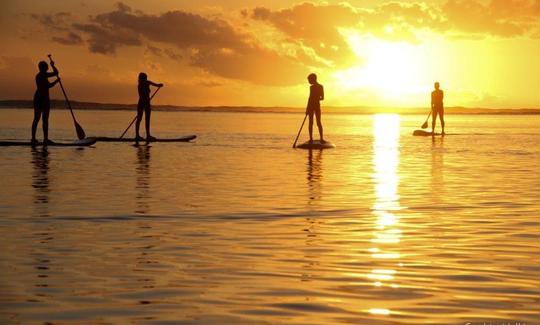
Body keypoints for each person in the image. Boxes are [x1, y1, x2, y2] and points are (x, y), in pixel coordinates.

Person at [31, 61, 60, 145]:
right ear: (42, 68)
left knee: (45, 120)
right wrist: (56, 81)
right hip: (40, 99)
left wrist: (52, 65)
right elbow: (48, 85)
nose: (47, 69)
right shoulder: (41, 75)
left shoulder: (43, 75)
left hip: (44, 99)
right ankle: (34, 139)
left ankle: (45, 139)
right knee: (37, 118)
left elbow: (56, 72)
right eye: (46, 67)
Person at [136, 72, 163, 141]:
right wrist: (159, 85)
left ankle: (146, 135)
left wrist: (159, 85)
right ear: (143, 78)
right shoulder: (144, 83)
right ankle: (138, 136)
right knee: (140, 119)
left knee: (143, 119)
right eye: (145, 77)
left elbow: (156, 85)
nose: (146, 79)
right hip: (143, 103)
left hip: (144, 103)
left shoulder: (141, 84)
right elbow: (156, 85)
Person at [306, 73, 325, 143]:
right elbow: (309, 98)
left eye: (309, 80)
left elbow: (322, 98)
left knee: (318, 122)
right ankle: (311, 139)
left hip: (317, 106)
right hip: (310, 106)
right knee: (310, 122)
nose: (309, 82)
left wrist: (316, 98)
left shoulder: (320, 86)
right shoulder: (311, 87)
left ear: (313, 79)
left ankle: (321, 138)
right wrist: (307, 108)